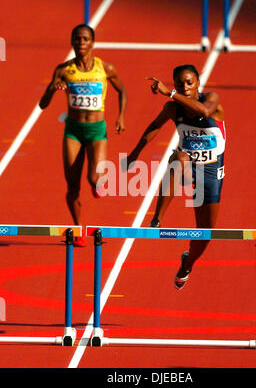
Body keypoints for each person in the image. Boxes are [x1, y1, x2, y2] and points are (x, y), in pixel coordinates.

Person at [125, 64, 225, 289]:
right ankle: (156, 219)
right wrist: (135, 153)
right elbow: (154, 126)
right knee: (178, 158)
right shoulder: (172, 109)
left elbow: (204, 112)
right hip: (187, 164)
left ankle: (187, 263)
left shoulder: (212, 99)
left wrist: (171, 92)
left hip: (210, 171)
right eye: (180, 84)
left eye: (189, 83)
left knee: (205, 234)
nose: (185, 87)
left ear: (198, 83)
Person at [39, 24, 127, 246]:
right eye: (77, 39)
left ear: (92, 43)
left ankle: (100, 182)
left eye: (85, 39)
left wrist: (121, 116)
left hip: (97, 130)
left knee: (94, 178)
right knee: (72, 186)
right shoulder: (63, 70)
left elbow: (122, 91)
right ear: (72, 42)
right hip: (74, 131)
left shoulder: (105, 68)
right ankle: (78, 229)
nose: (81, 42)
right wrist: (52, 88)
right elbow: (42, 105)